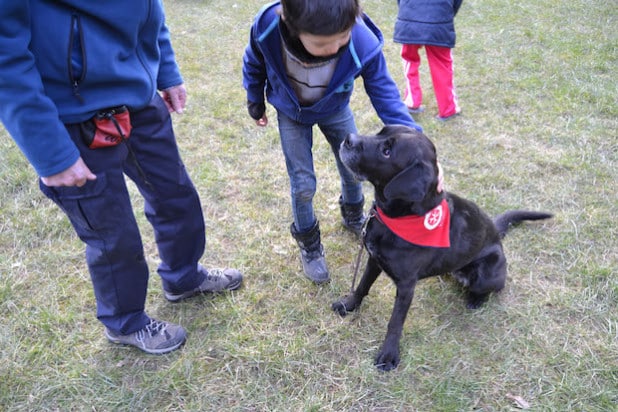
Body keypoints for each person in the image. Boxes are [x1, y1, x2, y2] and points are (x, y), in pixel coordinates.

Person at [0, 1, 243, 355]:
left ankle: (183, 276)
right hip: (72, 116)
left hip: (139, 103)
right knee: (112, 234)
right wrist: (50, 153)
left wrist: (166, 71)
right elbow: (5, 58)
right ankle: (125, 321)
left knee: (176, 195)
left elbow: (150, 9)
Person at [242, 0, 423, 284]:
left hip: (335, 109)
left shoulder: (360, 41)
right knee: (302, 185)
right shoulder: (267, 27)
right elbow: (254, 62)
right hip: (291, 114)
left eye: (343, 36)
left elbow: (385, 93)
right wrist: (255, 100)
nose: (337, 47)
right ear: (292, 25)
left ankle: (353, 215)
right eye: (323, 44)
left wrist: (415, 137)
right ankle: (309, 245)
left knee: (354, 168)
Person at [394, 0, 463, 120]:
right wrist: (447, 14)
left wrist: (405, 13)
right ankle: (448, 109)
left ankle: (411, 101)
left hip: (409, 19)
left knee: (409, 59)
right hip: (439, 21)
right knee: (442, 65)